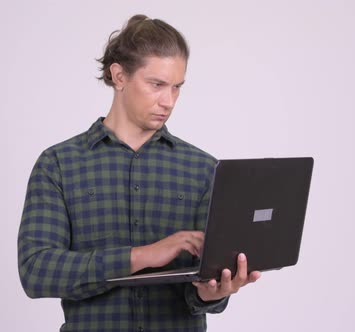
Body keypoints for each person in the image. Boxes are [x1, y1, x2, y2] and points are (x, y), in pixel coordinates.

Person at [18, 14, 261, 331]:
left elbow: (203, 288)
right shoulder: (59, 164)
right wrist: (142, 256)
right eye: (157, 85)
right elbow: (37, 272)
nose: (169, 101)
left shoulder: (203, 169)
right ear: (119, 76)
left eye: (177, 87)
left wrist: (211, 293)